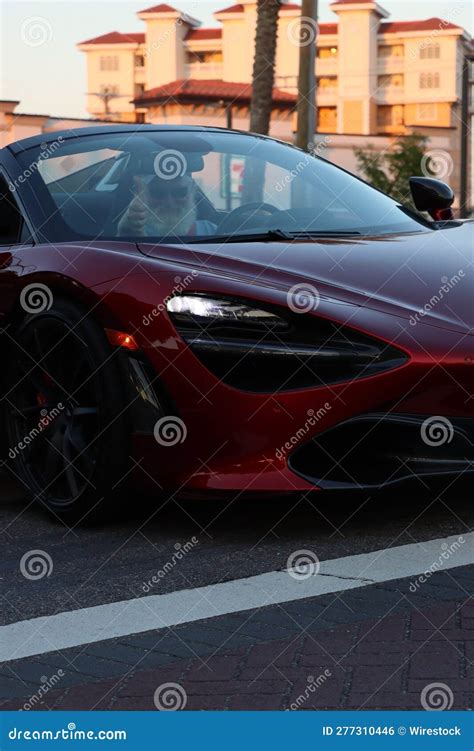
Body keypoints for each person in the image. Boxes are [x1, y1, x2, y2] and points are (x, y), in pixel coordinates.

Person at [117, 174, 217, 238]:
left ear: (193, 191)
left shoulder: (212, 232)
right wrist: (128, 238)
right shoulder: (135, 230)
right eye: (157, 193)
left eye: (179, 192)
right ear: (143, 195)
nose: (169, 203)